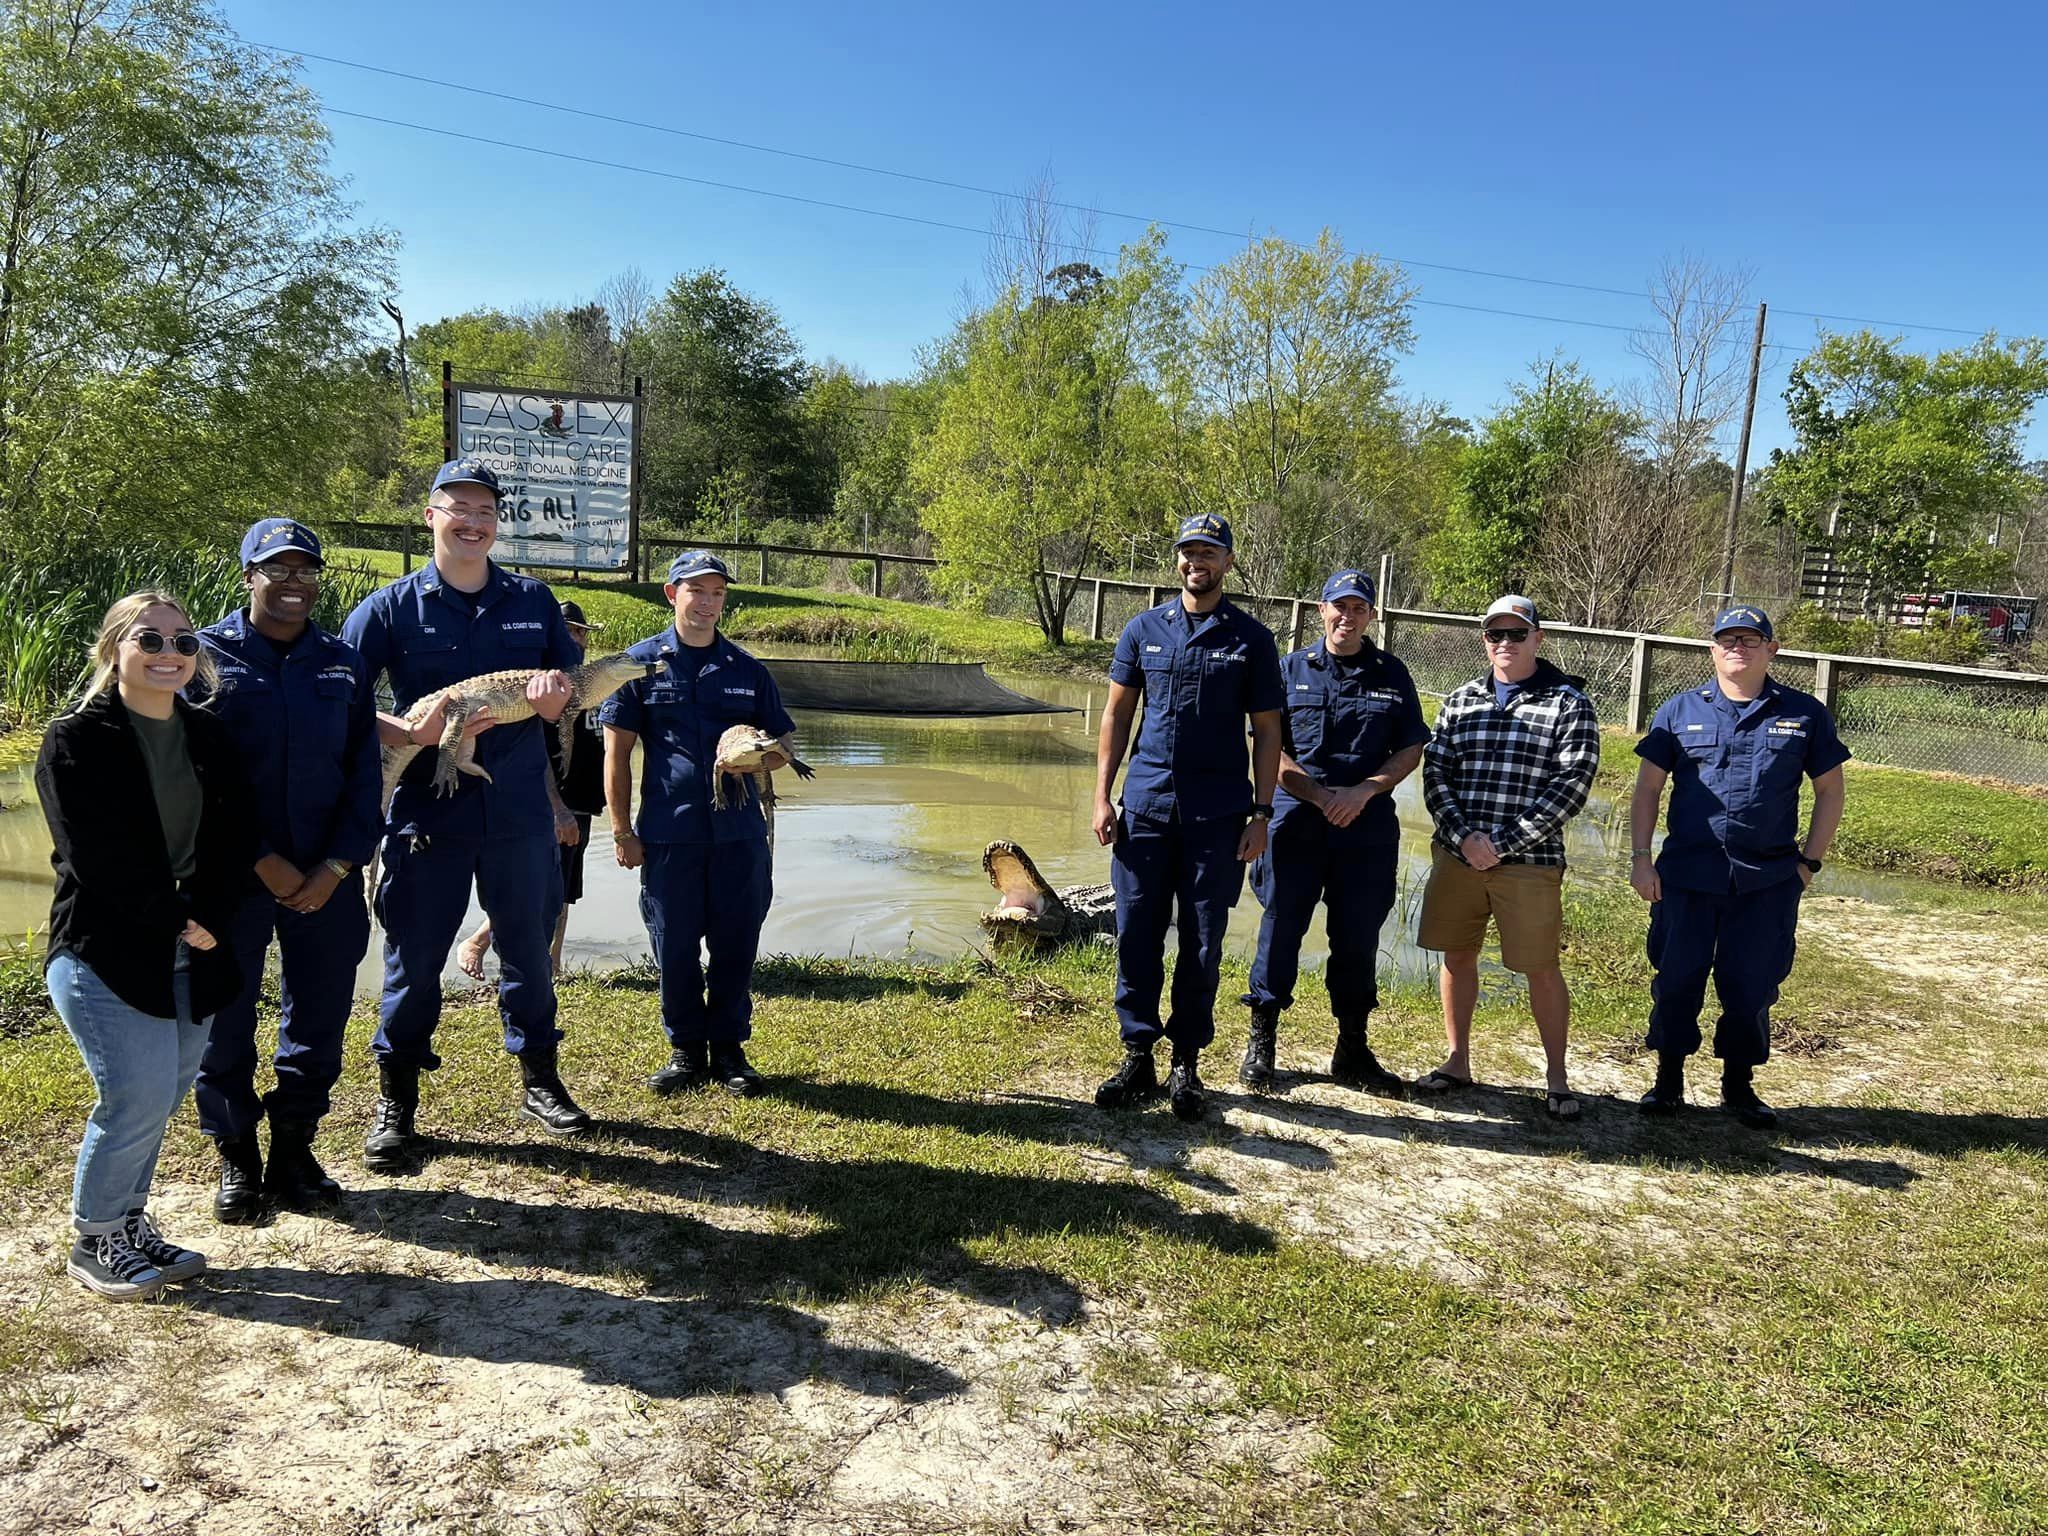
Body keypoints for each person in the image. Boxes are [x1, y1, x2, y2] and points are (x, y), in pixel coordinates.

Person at [342, 457, 590, 1171]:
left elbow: (568, 689)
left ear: (497, 522)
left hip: (518, 813)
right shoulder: (388, 609)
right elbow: (342, 698)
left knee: (529, 953)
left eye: (486, 511)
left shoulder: (534, 599)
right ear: (432, 517)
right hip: (428, 814)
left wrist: (557, 701)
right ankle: (397, 1101)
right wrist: (407, 732)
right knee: (415, 961)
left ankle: (540, 1082)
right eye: (459, 509)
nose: (473, 522)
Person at [36, 592, 259, 1298]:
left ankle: (129, 1222)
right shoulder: (75, 740)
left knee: (164, 1094)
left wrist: (209, 915)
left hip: (199, 943)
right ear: (114, 650)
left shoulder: (208, 734)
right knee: (133, 1096)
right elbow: (92, 856)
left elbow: (236, 835)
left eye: (184, 642)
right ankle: (95, 1239)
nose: (170, 654)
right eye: (150, 640)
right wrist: (179, 918)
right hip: (106, 946)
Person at [193, 519, 380, 1222]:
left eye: (307, 570)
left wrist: (336, 865)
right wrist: (260, 858)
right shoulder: (202, 657)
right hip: (231, 878)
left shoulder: (343, 663)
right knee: (224, 1017)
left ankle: (295, 1149)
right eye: (278, 569)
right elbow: (193, 776)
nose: (295, 582)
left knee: (320, 1014)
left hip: (326, 877)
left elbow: (364, 773)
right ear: (249, 576)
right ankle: (237, 1154)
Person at [1092, 514, 1283, 1121]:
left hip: (1218, 817)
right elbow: (1117, 716)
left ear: (1227, 562)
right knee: (1136, 933)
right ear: (1177, 559)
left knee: (1202, 941)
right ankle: (1138, 1055)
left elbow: (1268, 732)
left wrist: (1261, 813)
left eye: (1209, 552)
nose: (1196, 561)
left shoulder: (1251, 640)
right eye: (1188, 551)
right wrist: (1101, 796)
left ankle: (1186, 1064)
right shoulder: (1144, 628)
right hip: (1145, 809)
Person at [1629, 605, 1849, 1127]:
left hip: (1766, 881)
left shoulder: (1803, 714)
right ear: (1713, 650)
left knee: (1751, 985)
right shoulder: (1679, 711)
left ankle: (1739, 1085)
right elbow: (1647, 790)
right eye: (1728, 639)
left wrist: (1808, 863)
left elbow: (1830, 791)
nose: (1738, 648)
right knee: (1677, 979)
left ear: (1771, 650)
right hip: (1687, 877)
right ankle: (1668, 1080)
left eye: (1751, 640)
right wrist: (1641, 860)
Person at [600, 551, 798, 1098]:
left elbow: (783, 745)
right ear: (672, 594)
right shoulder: (637, 666)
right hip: (670, 833)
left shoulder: (747, 670)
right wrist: (622, 831)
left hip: (739, 835)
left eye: (717, 593)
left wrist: (759, 758)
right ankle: (686, 1050)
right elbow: (616, 757)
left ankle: (730, 1050)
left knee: (736, 942)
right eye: (697, 591)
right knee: (675, 945)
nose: (708, 603)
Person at [1241, 569, 1428, 1094]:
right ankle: (1262, 1041)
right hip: (1297, 822)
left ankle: (1352, 1049)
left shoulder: (1392, 674)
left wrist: (1364, 791)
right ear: (1321, 610)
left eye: (1359, 608)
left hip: (1365, 829)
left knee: (1358, 938)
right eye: (1339, 606)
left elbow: (1410, 748)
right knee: (1280, 930)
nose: (1348, 616)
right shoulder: (1289, 669)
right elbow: (1269, 747)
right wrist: (1321, 796)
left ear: (1372, 616)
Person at [1415, 595, 1600, 1118]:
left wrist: (1500, 844)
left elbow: (1572, 786)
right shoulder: (1461, 699)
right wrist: (1463, 837)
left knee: (1540, 967)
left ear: (1538, 638)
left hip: (1529, 863)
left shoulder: (1569, 703)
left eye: (1517, 634)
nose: (1505, 643)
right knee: (1457, 955)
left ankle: (1557, 1077)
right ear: (1484, 640)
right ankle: (1457, 1061)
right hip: (1459, 856)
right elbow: (1436, 773)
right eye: (1495, 634)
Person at [457, 600, 609, 981]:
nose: (575, 640)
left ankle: (552, 963)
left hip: (583, 802)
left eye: (579, 632)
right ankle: (479, 942)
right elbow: (535, 755)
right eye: (567, 632)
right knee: (534, 889)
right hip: (551, 806)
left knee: (563, 891)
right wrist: (556, 808)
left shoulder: (589, 685)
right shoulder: (538, 691)